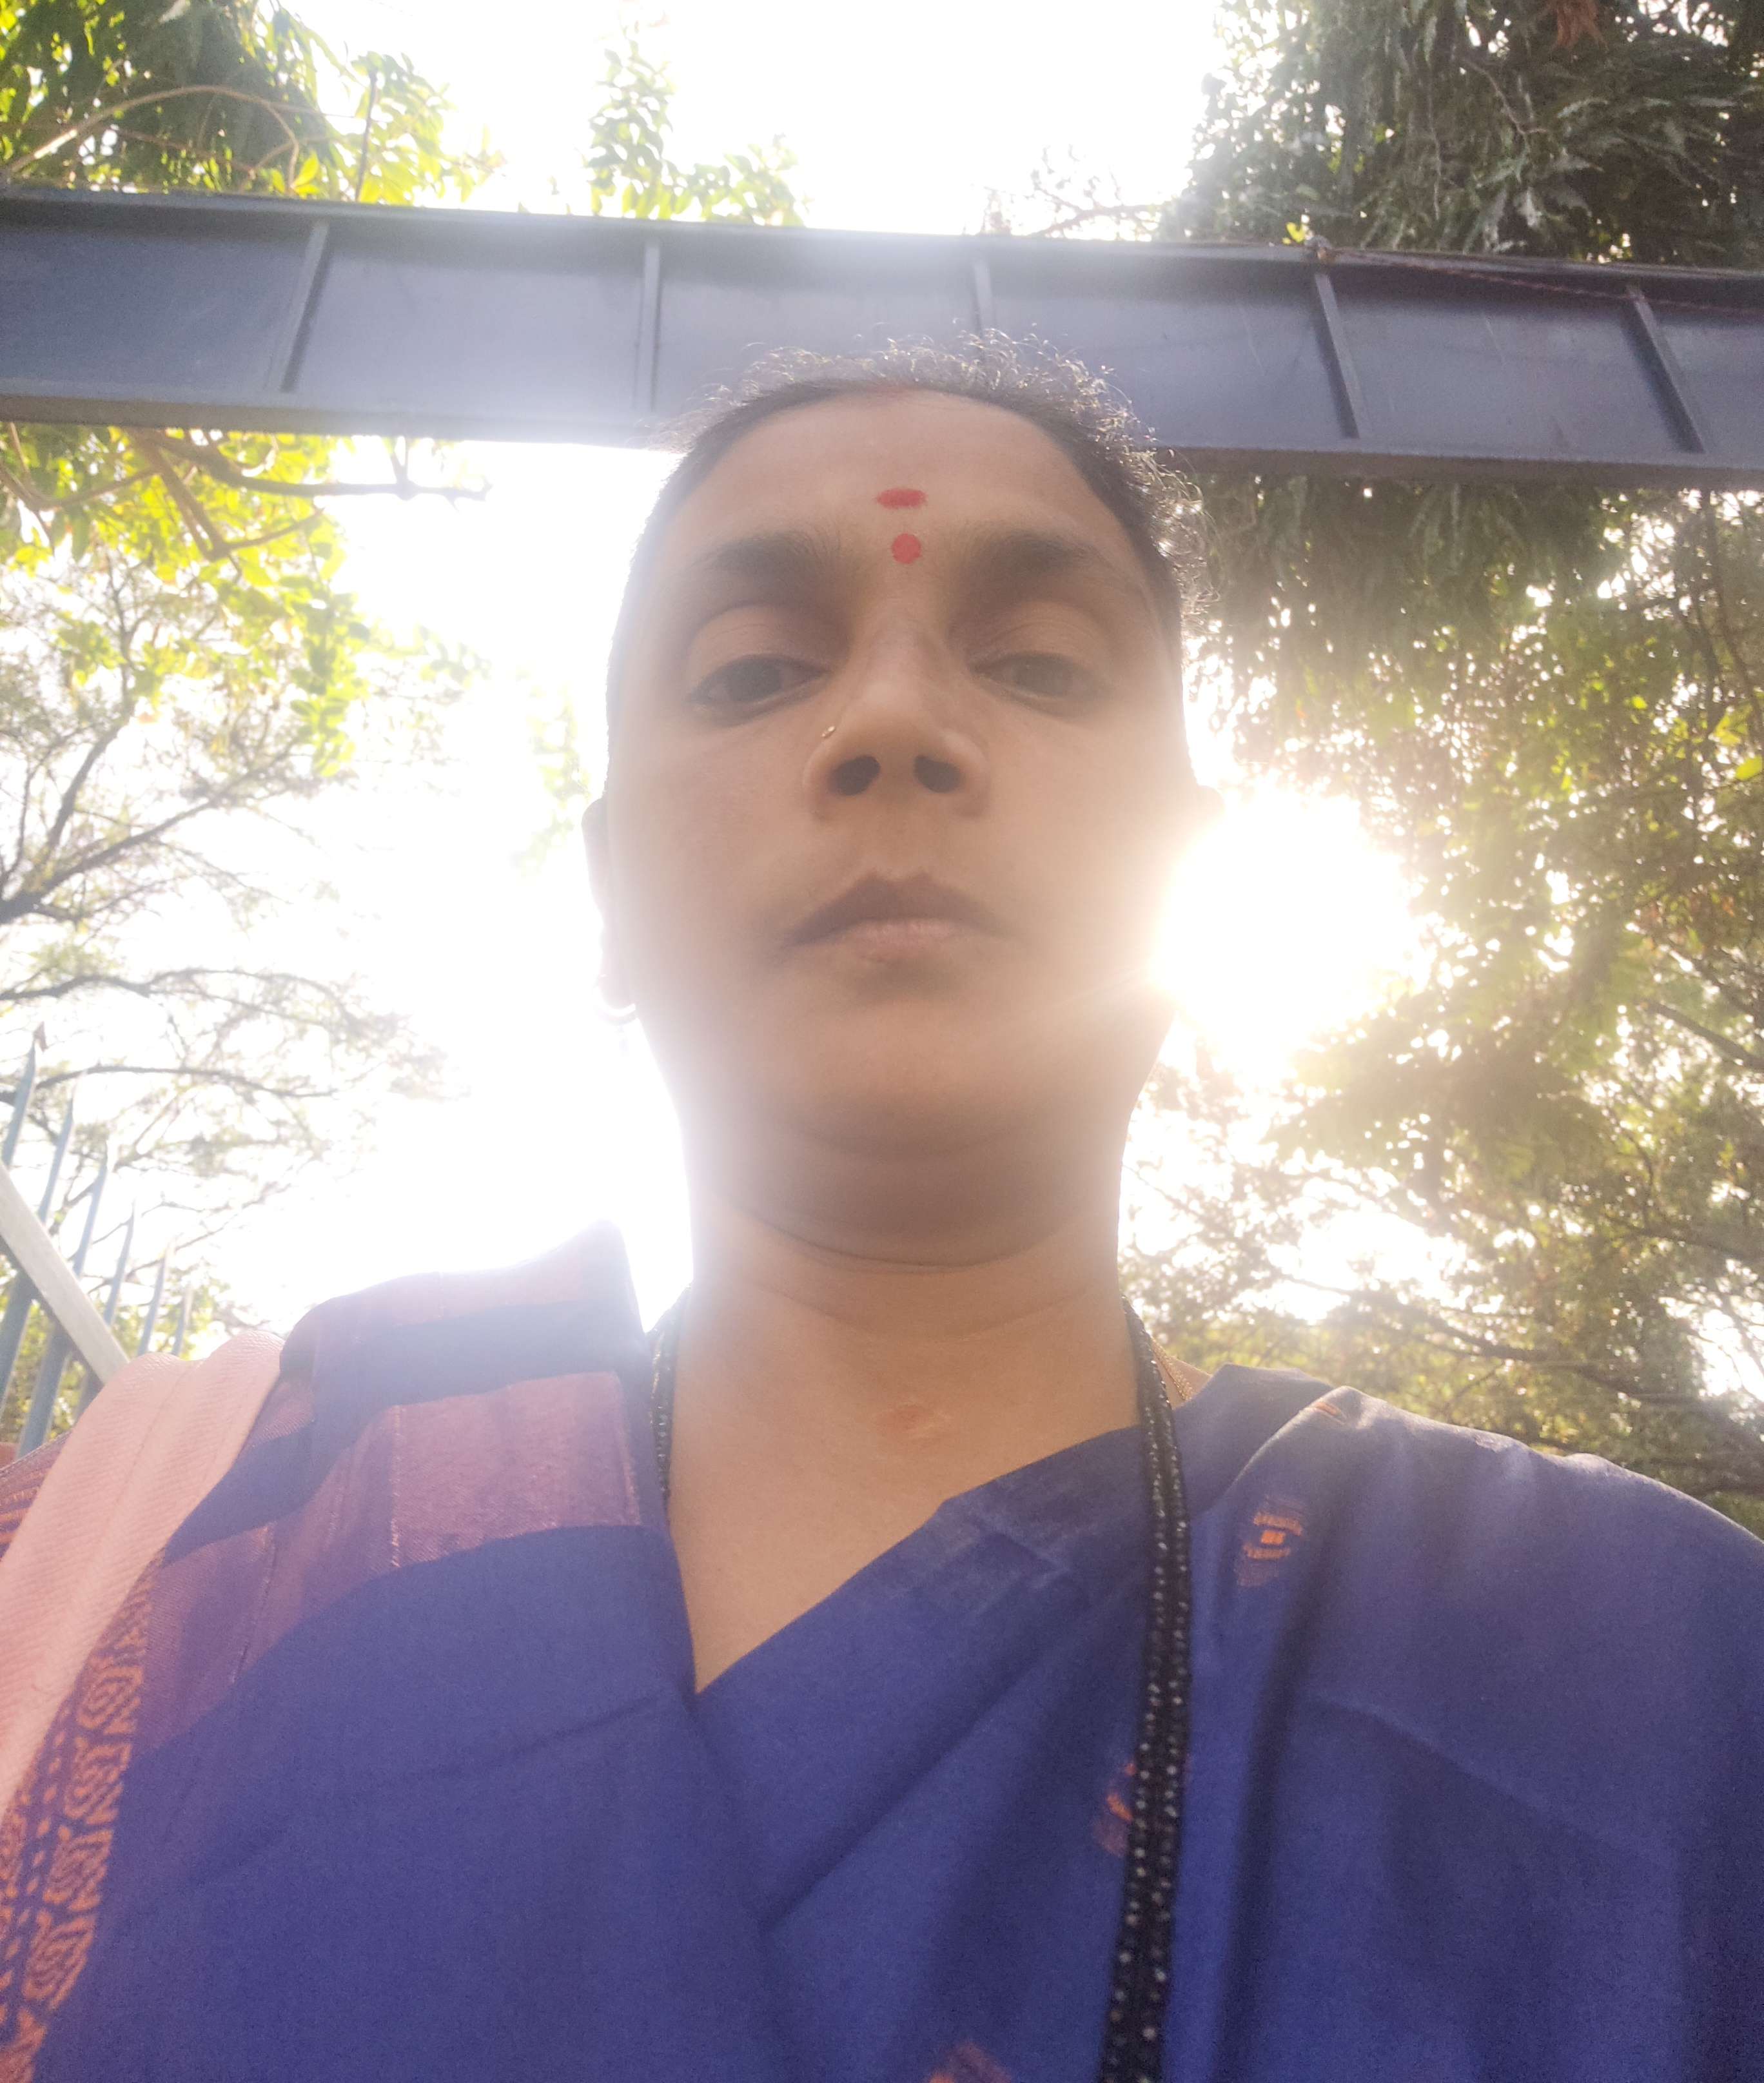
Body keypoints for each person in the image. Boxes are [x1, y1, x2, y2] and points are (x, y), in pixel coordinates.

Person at [0, 342, 1759, 2083]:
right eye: (757, 670)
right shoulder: (112, 1568)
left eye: (1042, 665)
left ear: (1188, 871)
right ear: (609, 895)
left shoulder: (1635, 1662)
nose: (898, 721)